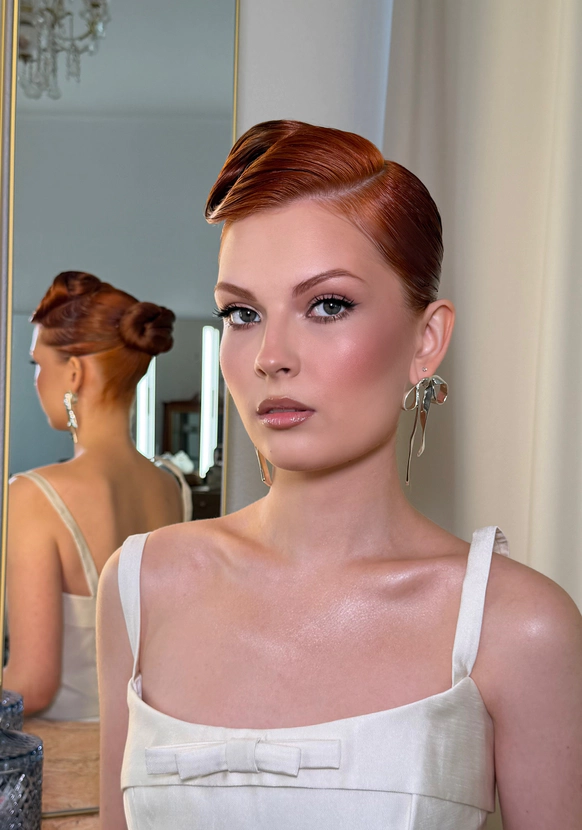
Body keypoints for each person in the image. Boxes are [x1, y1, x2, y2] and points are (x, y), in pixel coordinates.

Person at [98, 122, 582, 829]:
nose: (271, 355)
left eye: (328, 305)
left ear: (426, 340)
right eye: (242, 313)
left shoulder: (518, 625)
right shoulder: (143, 585)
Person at [5, 271, 192, 721]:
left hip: (65, 755)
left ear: (73, 371)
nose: (36, 380)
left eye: (36, 364)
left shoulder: (33, 496)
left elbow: (32, 686)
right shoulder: (172, 488)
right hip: (144, 753)